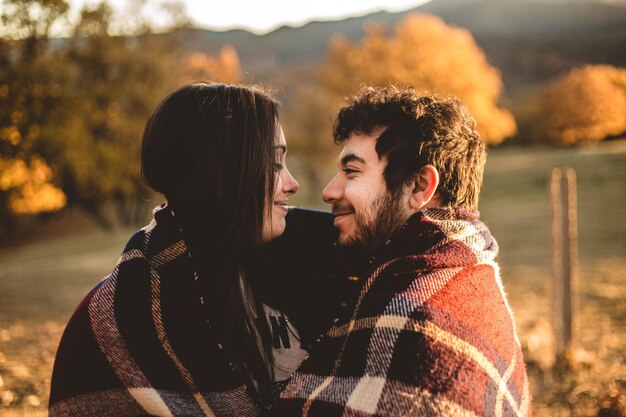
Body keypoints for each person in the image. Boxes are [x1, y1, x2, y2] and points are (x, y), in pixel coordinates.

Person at [49, 83, 308, 416]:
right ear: (222, 172)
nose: (292, 183)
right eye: (274, 163)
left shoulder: (298, 270)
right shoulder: (117, 322)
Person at [278, 86, 532, 417]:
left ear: (418, 186)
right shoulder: (468, 274)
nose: (329, 191)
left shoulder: (415, 320)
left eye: (351, 171)